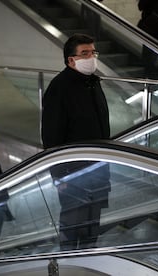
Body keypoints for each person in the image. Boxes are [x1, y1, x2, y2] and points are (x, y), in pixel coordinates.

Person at [41, 33, 111, 250]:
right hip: (73, 174)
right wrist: (59, 177)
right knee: (73, 226)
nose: (91, 57)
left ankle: (87, 259)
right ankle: (69, 262)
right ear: (71, 59)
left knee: (92, 225)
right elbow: (51, 136)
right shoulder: (59, 88)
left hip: (98, 169)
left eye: (93, 52)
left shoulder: (93, 83)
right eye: (85, 53)